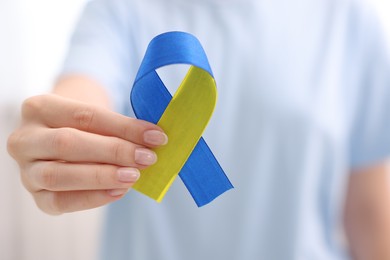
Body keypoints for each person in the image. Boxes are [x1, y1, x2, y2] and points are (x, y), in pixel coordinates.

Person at [7, 0, 390, 259]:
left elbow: (371, 220)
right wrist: (59, 138)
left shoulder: (350, 18)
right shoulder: (122, 8)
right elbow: (81, 98)